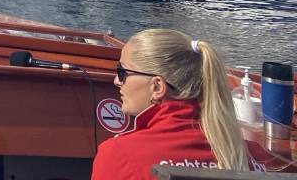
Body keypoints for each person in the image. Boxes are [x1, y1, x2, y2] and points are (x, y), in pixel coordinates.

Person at [91, 28, 263, 180]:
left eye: (122, 72)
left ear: (157, 87)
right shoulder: (256, 156)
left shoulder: (120, 156)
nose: (116, 81)